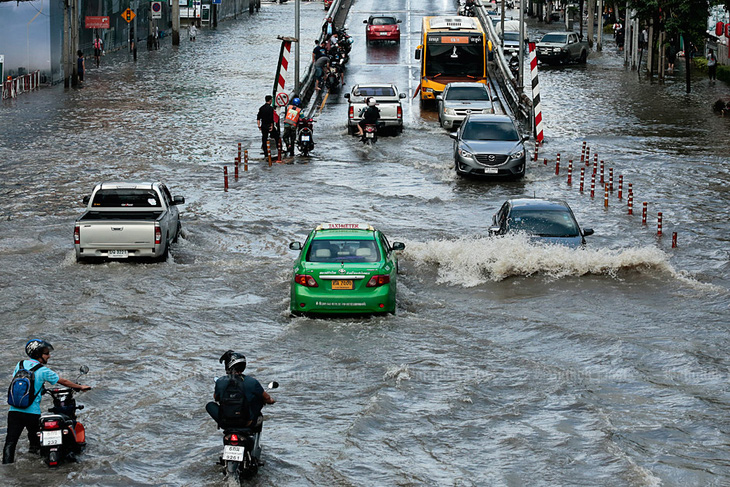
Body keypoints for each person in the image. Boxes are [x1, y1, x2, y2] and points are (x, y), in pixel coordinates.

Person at [2, 339, 91, 464]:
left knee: (10, 442)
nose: (49, 356)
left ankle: (7, 469)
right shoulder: (43, 371)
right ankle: (35, 462)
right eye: (46, 353)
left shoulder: (20, 365)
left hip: (14, 411)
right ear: (38, 354)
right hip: (32, 413)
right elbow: (63, 381)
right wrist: (80, 387)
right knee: (34, 441)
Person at [205, 350, 275, 430]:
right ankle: (255, 439)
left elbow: (216, 397)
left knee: (210, 405)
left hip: (226, 423)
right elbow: (266, 398)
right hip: (247, 423)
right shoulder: (252, 381)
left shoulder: (220, 381)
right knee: (258, 406)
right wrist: (271, 401)